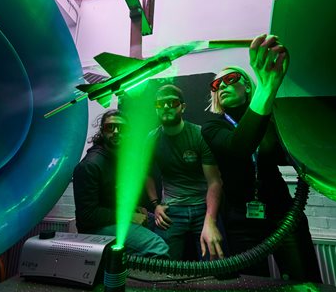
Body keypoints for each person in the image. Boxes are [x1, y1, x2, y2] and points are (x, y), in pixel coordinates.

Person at [201, 34, 322, 282]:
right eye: (216, 85)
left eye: (230, 79)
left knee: (304, 282)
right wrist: (267, 88)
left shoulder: (270, 117)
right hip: (241, 221)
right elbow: (238, 148)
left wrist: (268, 92)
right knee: (251, 284)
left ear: (247, 85)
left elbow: (287, 155)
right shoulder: (213, 127)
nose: (222, 86)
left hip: (282, 214)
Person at [73, 109, 169, 258]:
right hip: (96, 228)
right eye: (110, 127)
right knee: (158, 247)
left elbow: (108, 199)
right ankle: (130, 280)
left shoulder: (118, 158)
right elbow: (87, 215)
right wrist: (128, 216)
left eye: (121, 128)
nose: (116, 131)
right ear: (102, 131)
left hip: (112, 219)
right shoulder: (90, 166)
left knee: (162, 225)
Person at [146, 84, 224, 261]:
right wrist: (155, 204)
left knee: (216, 264)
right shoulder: (152, 139)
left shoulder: (199, 134)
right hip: (171, 210)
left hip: (202, 207)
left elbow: (214, 182)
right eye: (160, 104)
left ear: (183, 106)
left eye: (172, 102)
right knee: (163, 267)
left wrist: (210, 220)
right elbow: (147, 174)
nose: (166, 107)